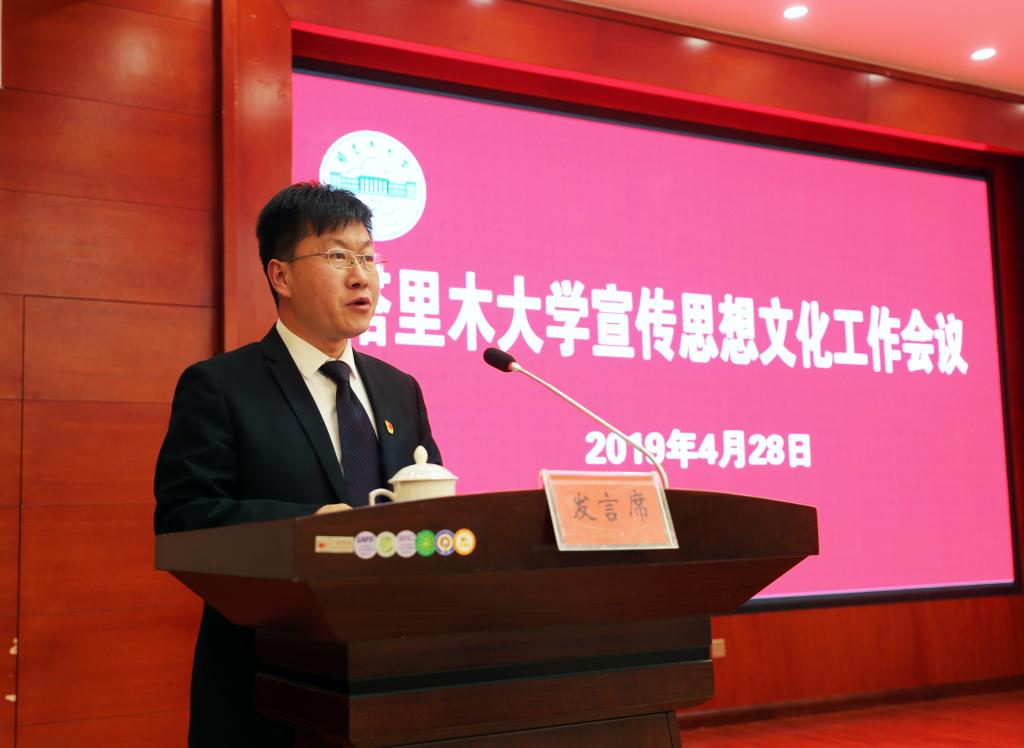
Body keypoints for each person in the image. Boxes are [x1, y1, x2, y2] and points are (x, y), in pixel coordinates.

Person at [154, 182, 442, 747]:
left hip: (392, 675)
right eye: (338, 256)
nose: (361, 276)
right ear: (280, 275)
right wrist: (312, 527)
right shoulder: (221, 387)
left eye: (368, 257)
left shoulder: (400, 389)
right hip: (268, 688)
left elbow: (426, 507)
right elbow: (184, 520)